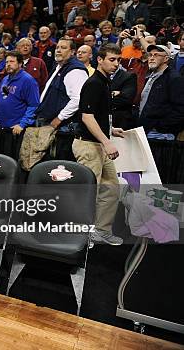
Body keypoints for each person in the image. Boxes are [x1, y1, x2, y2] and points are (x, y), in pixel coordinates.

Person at [73, 44, 125, 245]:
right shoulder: (94, 83)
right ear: (100, 60)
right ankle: (78, 236)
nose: (116, 64)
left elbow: (98, 115)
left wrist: (110, 130)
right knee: (87, 195)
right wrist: (106, 141)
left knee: (111, 189)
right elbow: (86, 117)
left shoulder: (105, 82)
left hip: (99, 144)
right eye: (112, 60)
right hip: (88, 145)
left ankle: (101, 231)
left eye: (118, 60)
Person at [36, 38, 88, 131]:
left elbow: (77, 100)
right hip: (48, 120)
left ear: (72, 52)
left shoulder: (75, 70)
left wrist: (59, 118)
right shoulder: (58, 66)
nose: (58, 50)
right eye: (57, 48)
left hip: (61, 125)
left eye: (63, 48)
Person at [138, 45, 184, 137]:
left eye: (156, 55)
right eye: (150, 55)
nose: (151, 58)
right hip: (144, 129)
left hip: (160, 133)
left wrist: (160, 127)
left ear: (166, 58)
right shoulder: (149, 76)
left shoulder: (174, 78)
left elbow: (181, 109)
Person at [0, 51, 40, 135]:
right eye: (7, 62)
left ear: (20, 64)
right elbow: (4, 98)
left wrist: (22, 124)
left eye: (12, 61)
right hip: (2, 127)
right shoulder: (5, 79)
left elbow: (34, 105)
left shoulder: (28, 80)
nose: (8, 64)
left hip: (17, 129)